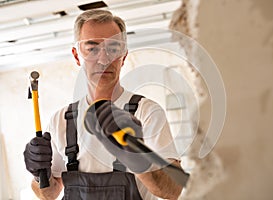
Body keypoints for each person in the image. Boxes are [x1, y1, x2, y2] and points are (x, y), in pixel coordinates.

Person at [23, 9, 183, 200]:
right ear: (76, 55)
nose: (104, 59)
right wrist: (39, 173)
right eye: (92, 49)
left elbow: (173, 190)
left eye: (113, 48)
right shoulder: (61, 121)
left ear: (123, 57)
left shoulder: (147, 112)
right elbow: (49, 194)